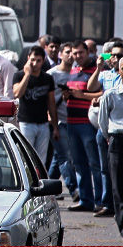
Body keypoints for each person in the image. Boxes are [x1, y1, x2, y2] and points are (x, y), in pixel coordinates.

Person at [64, 40, 103, 212]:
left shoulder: (97, 70)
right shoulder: (73, 70)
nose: (78, 56)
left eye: (81, 52)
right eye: (75, 53)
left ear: (88, 52)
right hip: (71, 123)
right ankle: (85, 200)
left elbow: (103, 93)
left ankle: (100, 201)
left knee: (95, 163)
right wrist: (67, 95)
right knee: (78, 164)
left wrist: (83, 95)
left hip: (87, 124)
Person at [86, 42, 123, 217]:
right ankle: (107, 203)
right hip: (107, 130)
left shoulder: (120, 76)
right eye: (112, 55)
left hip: (116, 129)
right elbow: (91, 87)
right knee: (105, 168)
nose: (115, 58)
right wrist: (98, 68)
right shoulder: (105, 74)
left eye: (119, 55)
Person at [13, 46, 58, 165]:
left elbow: (51, 103)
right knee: (25, 157)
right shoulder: (19, 75)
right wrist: (27, 75)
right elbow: (17, 93)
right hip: (26, 123)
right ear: (28, 58)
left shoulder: (47, 78)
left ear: (43, 61)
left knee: (41, 160)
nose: (35, 64)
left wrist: (55, 127)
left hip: (43, 123)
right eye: (32, 60)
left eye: (38, 61)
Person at [47, 43, 79, 201]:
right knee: (65, 157)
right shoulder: (51, 74)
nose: (71, 56)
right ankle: (74, 190)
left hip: (73, 120)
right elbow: (47, 99)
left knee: (58, 156)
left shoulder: (76, 73)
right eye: (67, 52)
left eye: (73, 53)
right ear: (60, 54)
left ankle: (47, 189)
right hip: (57, 122)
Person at [98, 57, 123, 237]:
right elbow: (103, 121)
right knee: (118, 186)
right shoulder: (111, 94)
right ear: (119, 71)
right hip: (117, 139)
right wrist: (109, 138)